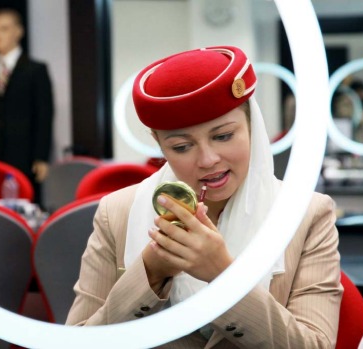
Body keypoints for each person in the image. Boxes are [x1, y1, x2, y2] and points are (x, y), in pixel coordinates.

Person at [66, 46, 343, 348]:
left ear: (252, 126)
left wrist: (223, 275)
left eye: (223, 136)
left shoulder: (305, 214)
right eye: (182, 147)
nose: (208, 159)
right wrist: (149, 273)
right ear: (158, 143)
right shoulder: (117, 213)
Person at [0, 8, 54, 206]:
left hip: (24, 156)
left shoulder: (35, 70)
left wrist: (41, 156)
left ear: (18, 31)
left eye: (4, 29)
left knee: (25, 206)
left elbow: (44, 115)